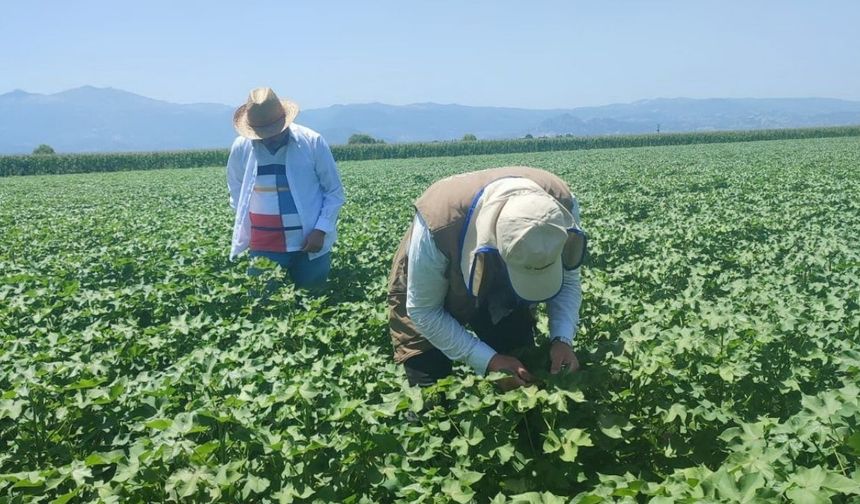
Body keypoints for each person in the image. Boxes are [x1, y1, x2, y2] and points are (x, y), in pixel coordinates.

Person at [388, 167, 586, 390]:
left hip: (500, 287)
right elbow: (424, 311)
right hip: (431, 284)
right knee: (431, 397)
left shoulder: (561, 206)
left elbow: (568, 280)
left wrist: (562, 339)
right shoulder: (440, 223)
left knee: (523, 376)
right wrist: (489, 361)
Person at [227, 87, 345, 291]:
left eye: (273, 131)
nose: (269, 137)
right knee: (262, 307)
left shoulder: (311, 142)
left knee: (313, 304)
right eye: (262, 133)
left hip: (309, 243)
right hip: (263, 246)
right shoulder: (241, 148)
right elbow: (236, 190)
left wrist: (320, 230)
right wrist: (249, 227)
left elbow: (333, 191)